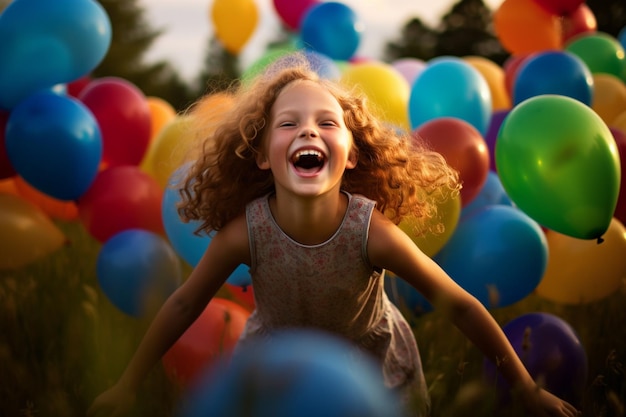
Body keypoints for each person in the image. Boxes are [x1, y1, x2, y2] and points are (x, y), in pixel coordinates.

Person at [87, 55, 579, 417]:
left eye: (327, 123)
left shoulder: (372, 233)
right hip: (275, 368)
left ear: (351, 155)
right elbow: (181, 305)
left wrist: (526, 388)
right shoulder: (247, 233)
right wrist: (127, 384)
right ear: (261, 155)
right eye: (288, 123)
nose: (308, 131)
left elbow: (461, 304)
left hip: (373, 374)